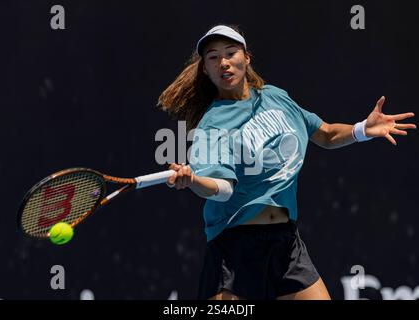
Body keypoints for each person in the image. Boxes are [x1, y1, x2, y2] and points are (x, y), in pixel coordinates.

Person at [157, 25, 416, 300]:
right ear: (206, 70)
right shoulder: (212, 124)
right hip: (235, 249)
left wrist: (363, 129)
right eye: (213, 57)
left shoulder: (276, 97)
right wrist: (193, 180)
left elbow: (326, 134)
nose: (223, 62)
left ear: (246, 58)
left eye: (231, 53)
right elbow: (222, 188)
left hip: (285, 242)